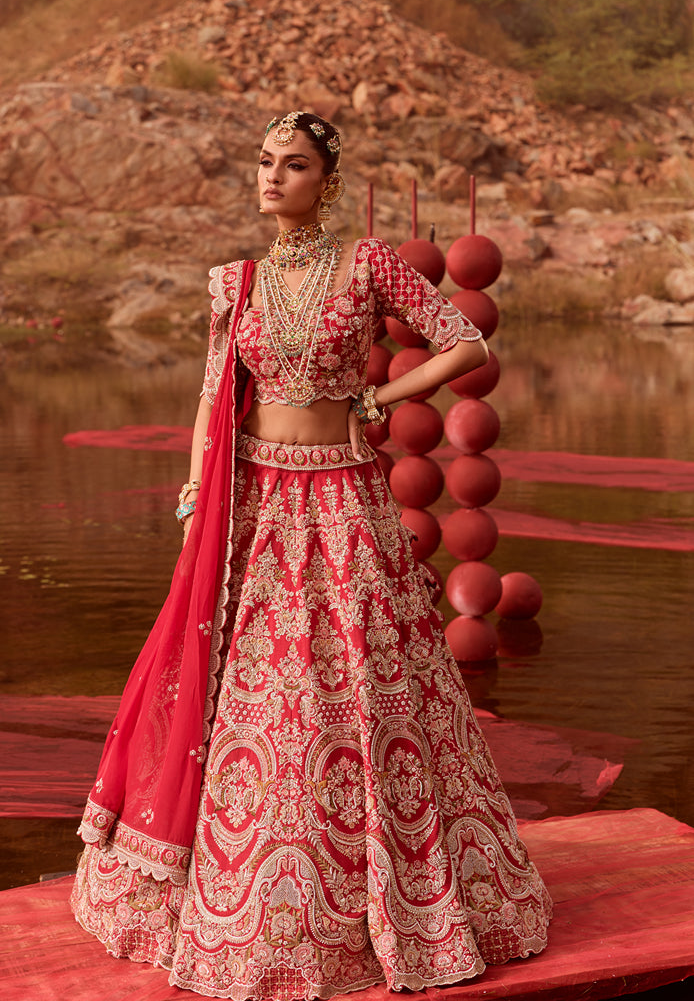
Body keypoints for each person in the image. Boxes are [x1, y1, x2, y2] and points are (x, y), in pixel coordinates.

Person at [70, 111, 552, 1000]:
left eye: (293, 165)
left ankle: (379, 901)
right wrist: (191, 500)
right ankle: (228, 894)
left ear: (324, 182)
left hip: (343, 499)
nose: (273, 177)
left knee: (358, 684)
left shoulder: (365, 265)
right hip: (249, 501)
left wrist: (379, 395)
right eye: (264, 162)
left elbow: (466, 341)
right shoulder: (236, 281)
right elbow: (214, 398)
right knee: (252, 691)